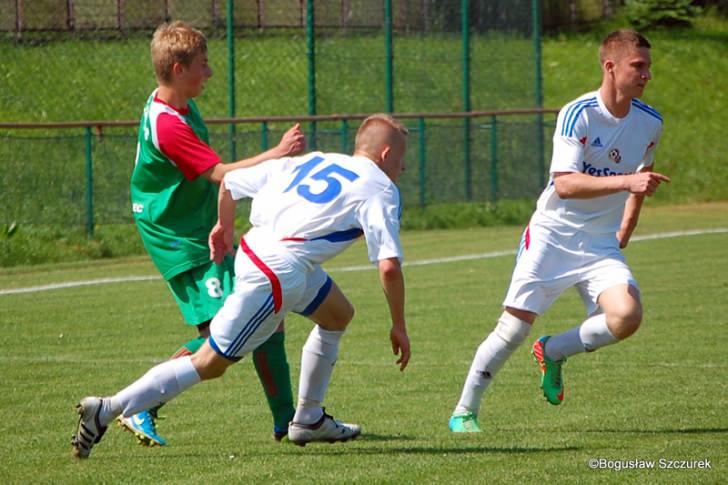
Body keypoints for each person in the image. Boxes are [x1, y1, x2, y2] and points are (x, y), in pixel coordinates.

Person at [71, 113, 411, 458]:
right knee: (210, 363)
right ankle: (108, 408)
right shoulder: (381, 188)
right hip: (279, 271)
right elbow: (388, 267)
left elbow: (230, 183)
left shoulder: (315, 160)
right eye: (402, 160)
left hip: (261, 250)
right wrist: (398, 325)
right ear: (385, 155)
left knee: (338, 314)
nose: (403, 169)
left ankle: (308, 417)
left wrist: (223, 228)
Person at [449, 29, 670, 432]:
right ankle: (465, 411)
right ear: (610, 66)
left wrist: (625, 228)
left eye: (648, 67)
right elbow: (566, 183)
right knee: (514, 327)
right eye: (638, 66)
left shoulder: (650, 122)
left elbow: (642, 178)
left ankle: (553, 351)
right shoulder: (578, 113)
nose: (646, 75)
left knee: (627, 316)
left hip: (600, 243)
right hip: (552, 234)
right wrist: (626, 183)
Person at [122, 21, 305, 446]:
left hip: (197, 225)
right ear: (178, 67)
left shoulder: (179, 101)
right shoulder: (169, 124)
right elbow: (219, 174)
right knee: (226, 331)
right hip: (176, 234)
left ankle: (289, 422)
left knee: (264, 316)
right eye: (203, 66)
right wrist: (277, 153)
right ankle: (140, 404)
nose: (209, 74)